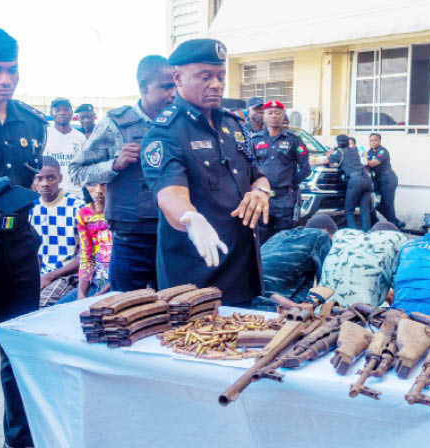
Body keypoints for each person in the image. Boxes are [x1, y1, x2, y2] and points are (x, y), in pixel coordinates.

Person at [140, 38, 270, 307]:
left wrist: (260, 192)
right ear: (178, 77)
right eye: (205, 76)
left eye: (220, 76)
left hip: (241, 269)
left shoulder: (233, 124)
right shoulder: (166, 132)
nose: (216, 84)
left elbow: (257, 173)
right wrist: (189, 218)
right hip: (195, 274)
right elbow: (169, 192)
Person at [0, 26, 47, 448]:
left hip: (18, 245)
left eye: (12, 71)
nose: (6, 79)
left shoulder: (30, 121)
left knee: (20, 352)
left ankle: (18, 443)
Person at [70, 55, 176, 293]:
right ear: (143, 87)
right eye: (166, 86)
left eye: (175, 86)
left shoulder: (179, 120)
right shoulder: (115, 124)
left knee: (175, 309)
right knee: (125, 311)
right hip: (132, 238)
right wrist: (115, 164)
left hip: (174, 235)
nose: (173, 93)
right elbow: (77, 172)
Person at [251, 100, 311, 244]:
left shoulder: (294, 140)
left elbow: (305, 168)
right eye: (270, 113)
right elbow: (250, 167)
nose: (273, 116)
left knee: (284, 241)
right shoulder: (255, 140)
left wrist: (290, 183)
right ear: (264, 116)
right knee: (261, 240)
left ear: (283, 115)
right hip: (262, 198)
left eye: (277, 113)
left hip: (284, 200)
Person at [252, 214, 338, 311]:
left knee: (307, 278)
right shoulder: (321, 236)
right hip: (271, 304)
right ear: (327, 232)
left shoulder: (281, 235)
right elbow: (327, 281)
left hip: (247, 297)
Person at [30, 156, 84, 307]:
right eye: (39, 178)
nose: (45, 184)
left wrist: (50, 276)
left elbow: (85, 255)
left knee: (39, 307)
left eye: (51, 178)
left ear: (60, 178)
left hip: (65, 275)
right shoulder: (30, 207)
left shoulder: (77, 207)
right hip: (36, 274)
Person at [320, 221, 408, 307]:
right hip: (355, 314)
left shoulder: (345, 238)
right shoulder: (396, 242)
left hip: (318, 309)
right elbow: (401, 292)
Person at [57, 182, 112, 304]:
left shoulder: (119, 211)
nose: (98, 191)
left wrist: (103, 290)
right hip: (96, 278)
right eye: (92, 184)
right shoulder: (84, 213)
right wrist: (81, 294)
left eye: (104, 184)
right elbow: (86, 256)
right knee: (59, 307)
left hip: (115, 279)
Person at [312, 134, 373, 231]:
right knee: (364, 209)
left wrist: (330, 153)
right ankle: (367, 233)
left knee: (349, 210)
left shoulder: (339, 152)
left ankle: (353, 233)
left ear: (338, 142)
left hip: (356, 181)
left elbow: (326, 161)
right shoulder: (355, 150)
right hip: (367, 180)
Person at [44, 97, 86, 198]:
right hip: (49, 194)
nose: (62, 113)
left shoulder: (80, 137)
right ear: (51, 113)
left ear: (71, 113)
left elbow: (85, 166)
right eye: (58, 110)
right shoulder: (43, 135)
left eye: (66, 110)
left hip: (75, 194)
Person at [366, 133, 404, 229]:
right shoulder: (369, 152)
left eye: (375, 140)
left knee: (388, 204)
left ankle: (393, 228)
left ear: (380, 141)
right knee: (377, 204)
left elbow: (373, 164)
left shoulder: (382, 151)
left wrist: (362, 159)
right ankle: (396, 222)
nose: (373, 142)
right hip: (378, 179)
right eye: (371, 140)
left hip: (388, 179)